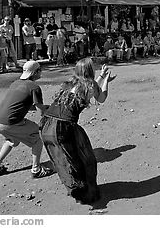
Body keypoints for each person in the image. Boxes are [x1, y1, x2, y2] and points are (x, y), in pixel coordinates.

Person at [39, 58, 115, 204]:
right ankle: (85, 194)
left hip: (47, 123)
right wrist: (105, 79)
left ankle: (75, 190)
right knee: (85, 159)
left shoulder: (71, 82)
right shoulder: (90, 85)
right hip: (63, 126)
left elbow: (88, 88)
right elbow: (102, 97)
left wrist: (101, 77)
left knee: (64, 160)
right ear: (90, 70)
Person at [0, 60, 54, 179]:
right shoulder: (34, 87)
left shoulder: (16, 83)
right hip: (10, 122)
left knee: (11, 140)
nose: (41, 72)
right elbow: (41, 112)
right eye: (39, 70)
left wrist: (44, 107)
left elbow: (22, 104)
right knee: (37, 137)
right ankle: (36, 169)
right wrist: (50, 113)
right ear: (35, 72)